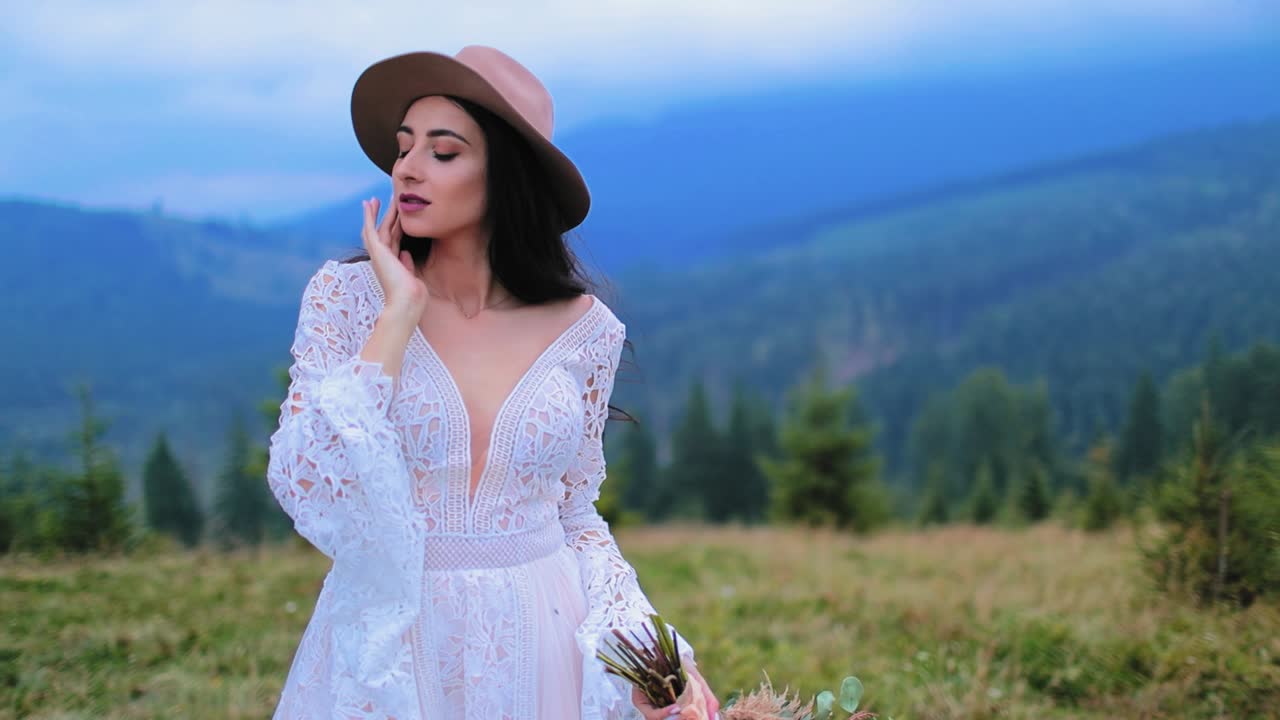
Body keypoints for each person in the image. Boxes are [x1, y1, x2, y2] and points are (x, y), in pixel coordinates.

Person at [265, 45, 720, 720]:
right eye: (403, 147)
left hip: (540, 642)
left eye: (444, 153)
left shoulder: (587, 330)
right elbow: (306, 480)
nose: (409, 170)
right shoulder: (346, 299)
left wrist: (651, 652)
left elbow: (574, 515)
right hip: (394, 641)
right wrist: (397, 318)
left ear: (504, 176)